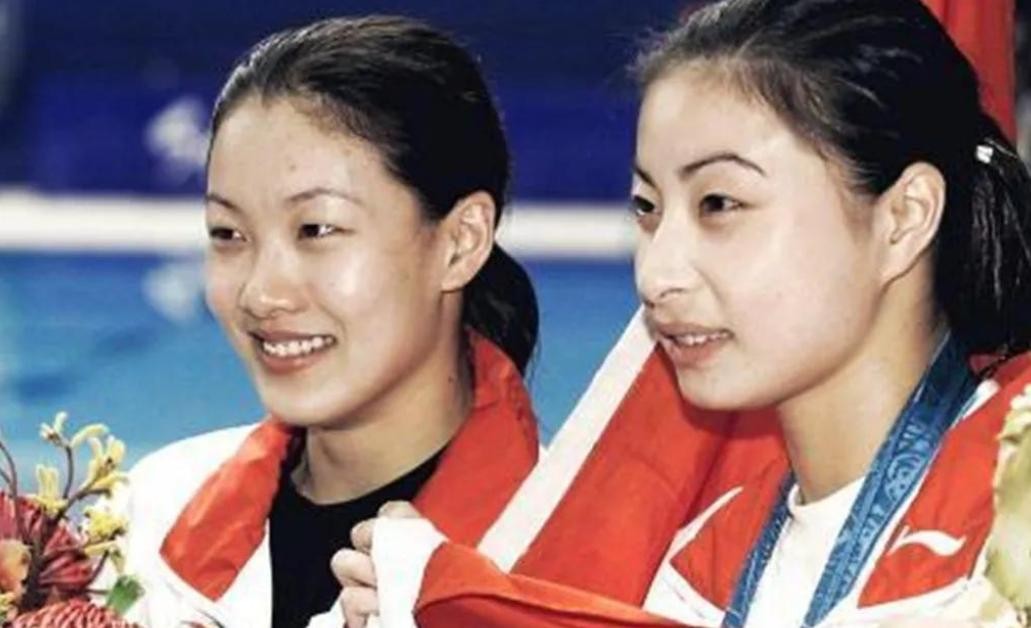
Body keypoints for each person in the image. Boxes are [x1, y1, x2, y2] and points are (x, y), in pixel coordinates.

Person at [335, 0, 1031, 626]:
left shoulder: (1012, 498)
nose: (657, 273)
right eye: (647, 210)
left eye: (719, 204)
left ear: (903, 217)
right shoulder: (705, 564)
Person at [116, 15, 541, 628]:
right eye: (228, 234)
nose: (261, 293)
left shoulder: (566, 565)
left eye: (316, 229)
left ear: (460, 241)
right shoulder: (150, 511)